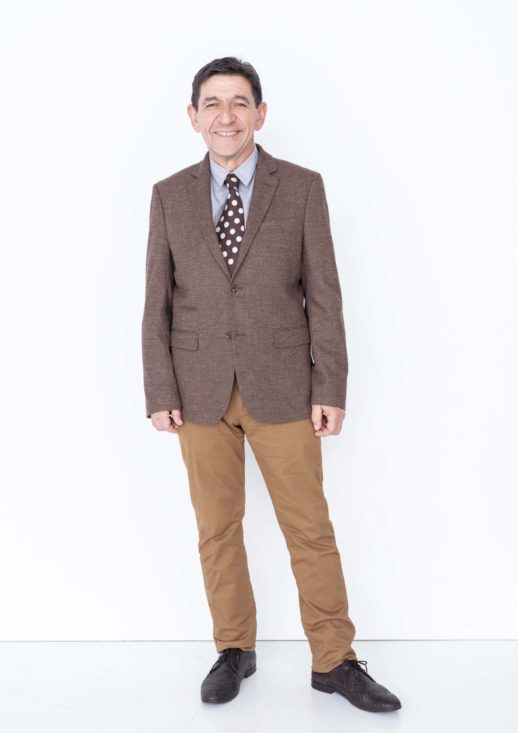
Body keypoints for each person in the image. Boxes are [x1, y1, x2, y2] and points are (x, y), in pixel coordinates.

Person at [141, 56, 401, 713]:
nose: (225, 115)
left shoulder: (303, 187)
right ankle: (234, 648)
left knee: (309, 526)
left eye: (238, 102)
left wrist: (330, 384)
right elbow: (156, 303)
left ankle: (334, 659)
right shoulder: (168, 195)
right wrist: (159, 389)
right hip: (198, 389)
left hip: (284, 386)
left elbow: (325, 294)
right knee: (216, 528)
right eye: (212, 103)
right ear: (193, 117)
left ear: (260, 113)